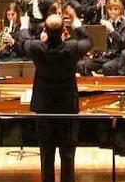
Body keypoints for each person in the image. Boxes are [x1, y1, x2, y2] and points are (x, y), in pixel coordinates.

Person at [17, 13, 92, 182]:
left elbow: (23, 41)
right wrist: (78, 25)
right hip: (67, 110)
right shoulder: (72, 48)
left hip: (45, 111)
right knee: (67, 156)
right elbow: (89, 41)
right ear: (64, 31)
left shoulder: (37, 48)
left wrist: (23, 24)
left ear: (45, 31)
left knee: (46, 157)